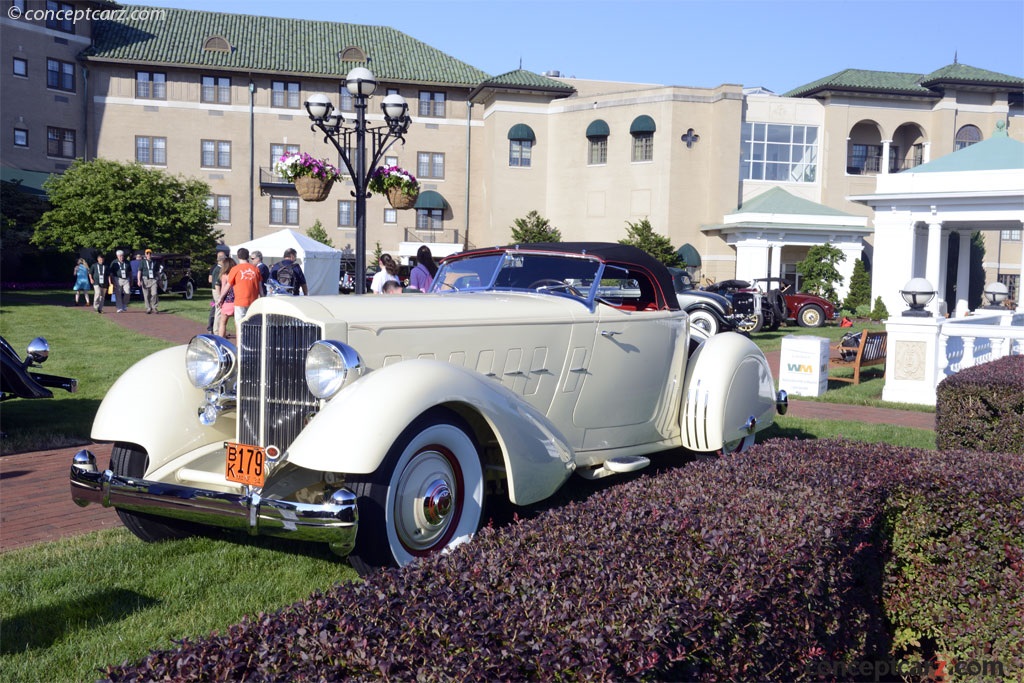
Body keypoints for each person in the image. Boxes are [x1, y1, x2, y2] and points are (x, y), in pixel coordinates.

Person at [219, 247, 261, 321]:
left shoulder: (235, 269)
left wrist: (221, 298)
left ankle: (240, 333)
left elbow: (228, 285)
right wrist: (262, 298)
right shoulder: (255, 269)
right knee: (251, 324)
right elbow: (260, 287)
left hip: (240, 301)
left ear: (238, 257)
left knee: (239, 324)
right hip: (253, 301)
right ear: (248, 256)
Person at [216, 258, 236, 338]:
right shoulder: (236, 274)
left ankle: (221, 339)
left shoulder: (224, 275)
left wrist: (220, 299)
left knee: (223, 322)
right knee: (237, 323)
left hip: (228, 300)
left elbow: (224, 287)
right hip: (237, 300)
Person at [138, 249, 162, 314]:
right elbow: (139, 271)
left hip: (153, 280)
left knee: (154, 293)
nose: (149, 255)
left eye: (150, 254)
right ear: (145, 254)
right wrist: (139, 280)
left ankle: (154, 307)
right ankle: (148, 308)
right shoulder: (142, 262)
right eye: (147, 253)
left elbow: (157, 272)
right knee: (146, 295)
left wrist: (160, 280)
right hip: (145, 279)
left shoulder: (154, 262)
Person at [208, 250, 227, 333]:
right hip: (217, 291)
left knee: (217, 310)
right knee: (218, 311)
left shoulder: (217, 268)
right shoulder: (218, 269)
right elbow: (216, 283)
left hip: (216, 291)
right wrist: (220, 296)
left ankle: (217, 330)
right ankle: (216, 331)